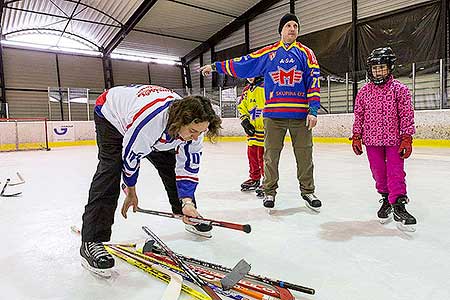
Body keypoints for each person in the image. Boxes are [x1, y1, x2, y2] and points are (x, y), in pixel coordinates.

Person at [80, 84, 221, 277]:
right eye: (192, 131)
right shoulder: (150, 123)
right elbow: (130, 158)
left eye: (200, 132)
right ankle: (92, 241)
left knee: (171, 166)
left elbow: (188, 165)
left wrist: (186, 201)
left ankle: (186, 212)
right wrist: (130, 191)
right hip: (111, 114)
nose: (195, 137)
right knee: (110, 170)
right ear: (180, 122)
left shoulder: (193, 127)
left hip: (146, 117)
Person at [201, 13, 321, 211]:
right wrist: (215, 66)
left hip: (300, 115)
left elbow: (313, 82)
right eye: (288, 25)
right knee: (271, 156)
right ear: (281, 30)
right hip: (274, 115)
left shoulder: (307, 54)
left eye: (295, 26)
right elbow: (243, 62)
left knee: (305, 154)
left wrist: (314, 110)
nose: (292, 29)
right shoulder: (269, 53)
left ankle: (307, 190)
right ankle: (269, 191)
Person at [351, 47, 416, 230]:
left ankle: (398, 204)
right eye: (375, 68)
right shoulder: (364, 92)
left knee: (395, 171)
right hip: (372, 141)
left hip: (394, 140)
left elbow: (406, 114)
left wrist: (406, 137)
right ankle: (386, 198)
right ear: (370, 69)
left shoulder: (400, 90)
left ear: (390, 68)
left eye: (382, 68)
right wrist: (356, 136)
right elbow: (359, 115)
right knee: (378, 172)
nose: (378, 71)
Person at [237, 77, 266, 194]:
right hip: (252, 130)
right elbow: (242, 106)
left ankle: (267, 180)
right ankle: (255, 178)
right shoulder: (246, 90)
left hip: (265, 128)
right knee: (252, 155)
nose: (249, 77)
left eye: (252, 74)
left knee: (264, 157)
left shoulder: (266, 86)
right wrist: (245, 121)